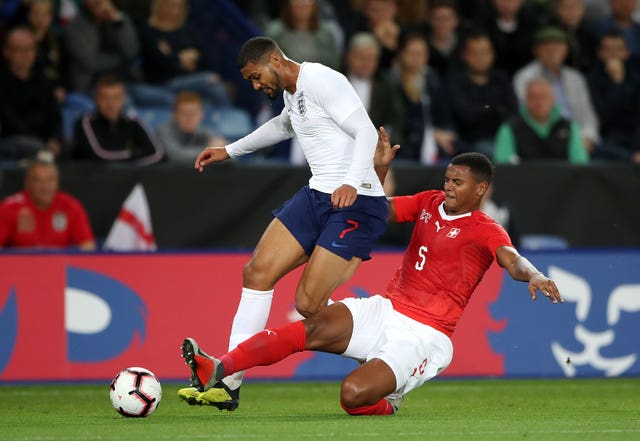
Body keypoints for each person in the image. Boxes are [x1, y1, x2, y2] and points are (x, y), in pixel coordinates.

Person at [178, 145, 564, 415]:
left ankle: (388, 403)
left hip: (425, 335)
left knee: (353, 396)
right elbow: (376, 210)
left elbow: (511, 260)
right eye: (447, 179)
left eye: (458, 182)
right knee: (307, 328)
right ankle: (221, 369)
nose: (448, 186)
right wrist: (378, 172)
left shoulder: (486, 229)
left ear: (480, 189)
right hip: (385, 308)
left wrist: (534, 274)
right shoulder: (429, 202)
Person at [182, 36, 389, 410]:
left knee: (309, 305)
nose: (255, 85)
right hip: (317, 196)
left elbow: (367, 131)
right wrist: (228, 150)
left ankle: (384, 354)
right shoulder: (292, 94)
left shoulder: (323, 80)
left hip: (355, 201)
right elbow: (281, 127)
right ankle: (227, 382)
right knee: (256, 273)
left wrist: (352, 181)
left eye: (256, 76)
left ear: (275, 60)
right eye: (250, 80)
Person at [513, 26, 600, 152]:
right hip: (540, 139)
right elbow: (525, 113)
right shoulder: (524, 78)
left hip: (577, 138)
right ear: (536, 51)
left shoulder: (576, 78)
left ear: (565, 51)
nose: (552, 53)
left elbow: (587, 117)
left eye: (557, 48)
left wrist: (587, 138)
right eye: (547, 49)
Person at [134, 0, 230, 108]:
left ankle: (228, 119)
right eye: (168, 5)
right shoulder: (147, 32)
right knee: (210, 81)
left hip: (191, 81)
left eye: (177, 6)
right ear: (158, 6)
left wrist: (172, 56)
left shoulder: (188, 31)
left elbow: (205, 60)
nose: (172, 10)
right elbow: (159, 61)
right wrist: (181, 59)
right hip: (163, 83)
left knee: (214, 89)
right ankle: (230, 118)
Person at [0, 154, 96, 250]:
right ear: (27, 183)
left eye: (50, 180)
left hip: (59, 263)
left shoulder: (70, 206)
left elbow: (88, 246)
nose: (45, 187)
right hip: (21, 263)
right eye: (38, 181)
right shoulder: (10, 207)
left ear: (57, 182)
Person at [446, 30, 518, 157]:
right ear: (464, 55)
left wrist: (484, 109)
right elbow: (465, 116)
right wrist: (494, 108)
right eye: (474, 53)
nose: (480, 58)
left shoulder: (501, 79)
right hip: (470, 143)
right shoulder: (456, 82)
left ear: (492, 54)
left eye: (485, 52)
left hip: (503, 137)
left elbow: (512, 111)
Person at [391, 32, 457, 164]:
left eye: (421, 54)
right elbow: (400, 120)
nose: (417, 58)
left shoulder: (432, 79)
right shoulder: (392, 81)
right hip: (406, 142)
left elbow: (445, 113)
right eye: (412, 53)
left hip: (436, 141)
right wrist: (432, 134)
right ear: (401, 54)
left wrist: (447, 133)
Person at [72, 74, 164, 165]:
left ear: (123, 98)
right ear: (96, 99)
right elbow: (100, 155)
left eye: (116, 98)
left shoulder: (132, 121)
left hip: (129, 178)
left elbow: (156, 152)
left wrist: (128, 164)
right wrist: (134, 153)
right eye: (105, 98)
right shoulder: (85, 122)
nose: (110, 104)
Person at [0, 26, 62, 161]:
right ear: (7, 52)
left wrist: (55, 139)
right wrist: (42, 144)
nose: (26, 54)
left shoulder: (44, 81)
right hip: (13, 141)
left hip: (43, 142)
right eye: (19, 49)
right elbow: (9, 122)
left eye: (30, 49)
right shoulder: (2, 82)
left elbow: (55, 116)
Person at [494, 77, 589, 164]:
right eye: (533, 97)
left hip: (563, 182)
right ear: (526, 100)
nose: (539, 102)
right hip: (522, 181)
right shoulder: (509, 128)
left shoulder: (570, 128)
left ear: (553, 100)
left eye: (544, 96)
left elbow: (580, 165)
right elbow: (503, 167)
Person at [587, 31, 640, 162]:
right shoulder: (592, 78)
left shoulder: (635, 73)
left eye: (618, 49)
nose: (613, 53)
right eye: (608, 49)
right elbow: (606, 114)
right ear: (600, 53)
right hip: (610, 133)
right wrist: (617, 82)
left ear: (626, 52)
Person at [63, 0, 139, 93]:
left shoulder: (118, 18)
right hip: (91, 86)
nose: (98, 1)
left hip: (125, 80)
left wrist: (118, 23)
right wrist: (121, 59)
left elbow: (131, 52)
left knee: (160, 98)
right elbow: (91, 63)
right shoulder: (74, 27)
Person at [344, 32, 404, 147]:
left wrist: (385, 140)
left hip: (376, 149)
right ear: (349, 56)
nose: (366, 63)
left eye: (371, 59)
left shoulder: (386, 85)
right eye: (361, 57)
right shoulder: (336, 81)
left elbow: (396, 119)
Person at [265, 0, 342, 70]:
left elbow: (333, 64)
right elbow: (271, 64)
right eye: (297, 2)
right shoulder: (275, 32)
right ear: (288, 5)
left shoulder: (328, 33)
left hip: (321, 81)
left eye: (307, 1)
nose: (302, 5)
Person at [156, 90, 227, 165]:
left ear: (201, 115)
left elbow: (225, 156)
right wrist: (210, 151)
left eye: (194, 113)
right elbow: (176, 156)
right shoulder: (164, 131)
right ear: (175, 115)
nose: (189, 118)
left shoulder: (206, 131)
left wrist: (219, 151)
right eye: (184, 113)